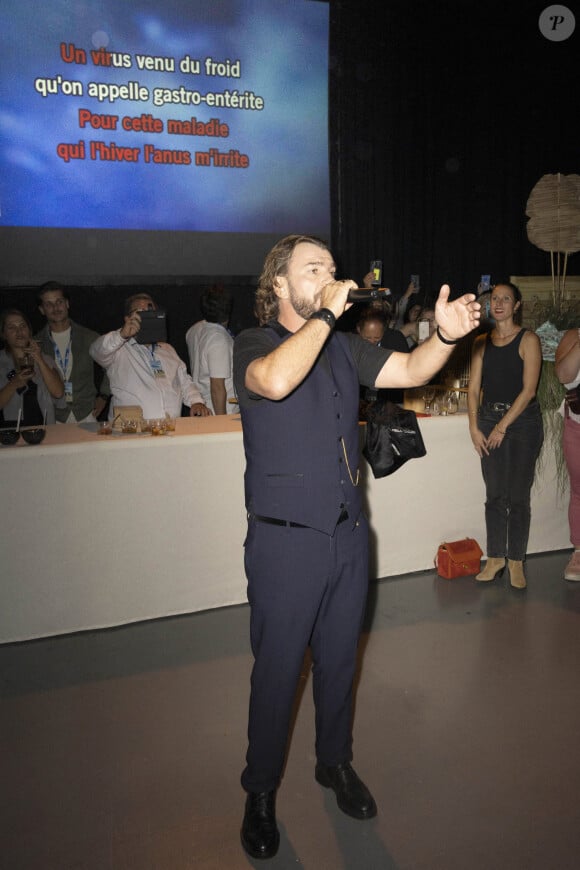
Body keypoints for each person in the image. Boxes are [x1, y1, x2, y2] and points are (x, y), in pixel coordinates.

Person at [233, 233, 481, 860]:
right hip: (286, 542)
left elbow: (413, 369)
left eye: (333, 267)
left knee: (340, 663)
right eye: (313, 267)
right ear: (281, 286)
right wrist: (323, 314)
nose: (331, 274)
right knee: (278, 675)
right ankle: (260, 793)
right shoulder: (256, 343)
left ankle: (333, 764)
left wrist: (446, 337)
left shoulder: (346, 347)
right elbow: (276, 382)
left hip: (347, 537)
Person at [467, 281, 543, 589]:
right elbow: (473, 389)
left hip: (523, 422)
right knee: (494, 494)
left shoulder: (529, 339)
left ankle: (516, 561)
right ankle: (496, 558)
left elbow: (529, 390)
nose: (498, 303)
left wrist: (502, 426)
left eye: (505, 299)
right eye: (494, 298)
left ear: (517, 305)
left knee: (518, 496)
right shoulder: (480, 342)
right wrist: (474, 427)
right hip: (487, 419)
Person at [89, 293, 211, 420]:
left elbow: (184, 380)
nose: (145, 316)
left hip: (169, 429)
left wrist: (196, 401)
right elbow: (96, 351)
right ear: (127, 318)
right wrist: (121, 335)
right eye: (139, 312)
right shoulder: (119, 349)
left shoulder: (167, 349)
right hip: (131, 433)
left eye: (150, 311)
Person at [35, 281, 110, 423]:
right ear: (42, 309)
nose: (55, 308)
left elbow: (110, 366)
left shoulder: (90, 337)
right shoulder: (36, 343)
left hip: (87, 413)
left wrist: (104, 396)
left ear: (67, 304)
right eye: (49, 304)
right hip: (52, 416)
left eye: (59, 301)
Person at [0, 308, 64, 425]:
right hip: (10, 432)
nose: (19, 331)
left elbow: (58, 392)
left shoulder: (45, 359)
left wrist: (39, 359)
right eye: (12, 327)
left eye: (22, 326)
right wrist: (14, 383)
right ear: (4, 334)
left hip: (44, 431)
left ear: (29, 330)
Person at [185, 283, 236, 414]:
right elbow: (217, 388)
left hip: (205, 408)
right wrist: (221, 423)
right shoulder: (219, 340)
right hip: (220, 412)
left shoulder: (194, 329)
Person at [555, 326, 580, 581]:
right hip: (578, 425)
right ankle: (579, 552)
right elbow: (563, 375)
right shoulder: (574, 336)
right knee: (579, 490)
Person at [355, 305, 409, 408]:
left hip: (391, 401)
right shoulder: (349, 343)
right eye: (367, 338)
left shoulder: (395, 340)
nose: (371, 342)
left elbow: (405, 371)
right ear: (359, 330)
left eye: (376, 338)